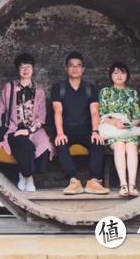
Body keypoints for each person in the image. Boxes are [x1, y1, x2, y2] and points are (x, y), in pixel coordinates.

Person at [0, 53, 53, 192]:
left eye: (28, 67)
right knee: (25, 146)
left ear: (33, 69)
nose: (25, 70)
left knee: (45, 148)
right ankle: (29, 178)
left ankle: (23, 172)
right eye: (22, 67)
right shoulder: (9, 88)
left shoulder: (40, 91)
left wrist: (28, 130)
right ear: (18, 70)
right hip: (14, 129)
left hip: (34, 130)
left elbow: (42, 118)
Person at [51, 51, 110, 195]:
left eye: (78, 66)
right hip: (66, 130)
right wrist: (60, 133)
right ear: (66, 69)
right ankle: (74, 180)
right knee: (60, 143)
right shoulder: (59, 88)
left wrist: (95, 132)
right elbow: (57, 111)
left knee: (97, 142)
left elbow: (94, 112)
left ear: (83, 69)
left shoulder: (90, 89)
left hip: (86, 130)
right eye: (71, 66)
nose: (75, 68)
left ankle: (93, 181)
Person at [99, 62, 140, 197]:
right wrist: (115, 122)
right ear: (111, 75)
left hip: (128, 130)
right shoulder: (105, 92)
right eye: (116, 73)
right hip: (112, 130)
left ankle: (132, 185)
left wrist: (136, 121)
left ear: (127, 75)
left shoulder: (132, 93)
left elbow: (137, 115)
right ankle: (123, 185)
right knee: (119, 146)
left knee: (130, 146)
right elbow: (101, 115)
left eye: (122, 73)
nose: (119, 76)